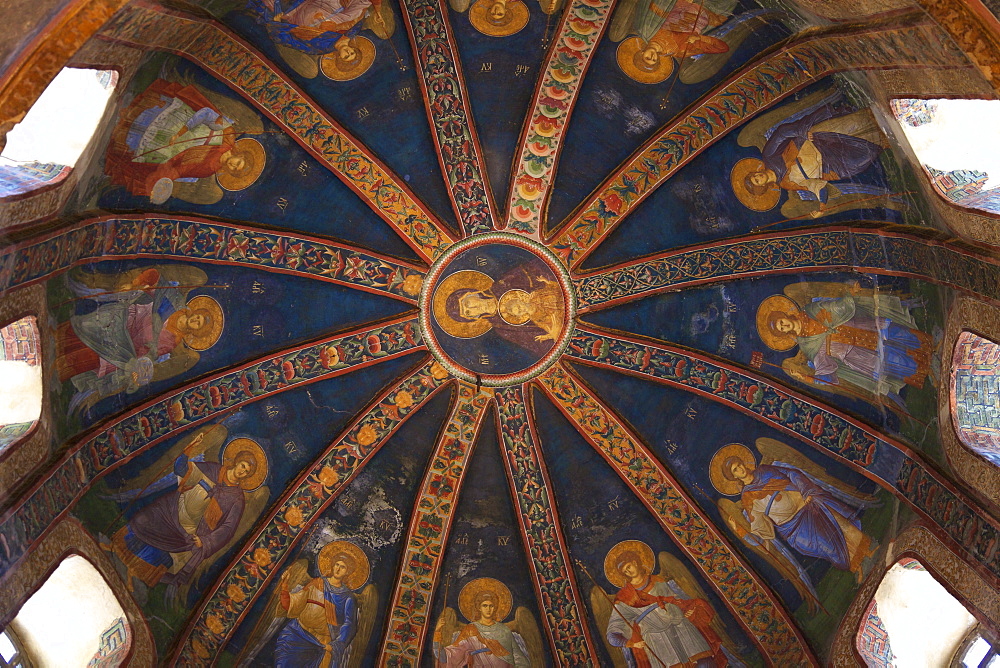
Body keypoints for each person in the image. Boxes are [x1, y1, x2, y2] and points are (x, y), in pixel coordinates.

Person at [54, 266, 223, 413]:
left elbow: (152, 351)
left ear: (196, 332)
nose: (195, 321)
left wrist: (145, 357)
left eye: (198, 325)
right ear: (194, 311)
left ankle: (57, 369)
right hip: (123, 319)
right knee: (81, 329)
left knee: (89, 357)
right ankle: (55, 340)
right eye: (198, 317)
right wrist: (137, 283)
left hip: (125, 346)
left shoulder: (174, 342)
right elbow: (154, 280)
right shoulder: (175, 300)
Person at [107, 437, 267, 590]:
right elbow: (181, 469)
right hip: (174, 507)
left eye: (247, 471)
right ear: (236, 462)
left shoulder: (237, 499)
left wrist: (205, 540)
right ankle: (114, 547)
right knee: (144, 519)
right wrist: (189, 449)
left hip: (189, 529)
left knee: (163, 547)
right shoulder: (213, 469)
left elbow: (228, 528)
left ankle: (134, 574)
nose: (243, 471)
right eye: (243, 465)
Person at [757, 282, 935, 406]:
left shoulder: (809, 311)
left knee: (898, 334)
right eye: (781, 328)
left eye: (781, 321)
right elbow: (825, 369)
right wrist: (807, 378)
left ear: (785, 316)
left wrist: (850, 296)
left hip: (859, 327)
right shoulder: (806, 344)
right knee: (895, 362)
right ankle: (930, 371)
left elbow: (835, 308)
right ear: (783, 333)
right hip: (854, 354)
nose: (784, 324)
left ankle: (932, 347)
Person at [105, 79, 262, 203]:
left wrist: (161, 182)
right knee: (144, 112)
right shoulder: (228, 134)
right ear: (241, 155)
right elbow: (206, 114)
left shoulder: (209, 168)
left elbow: (181, 170)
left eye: (234, 171)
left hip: (167, 148)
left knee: (127, 133)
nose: (233, 166)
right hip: (180, 123)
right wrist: (183, 130)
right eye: (238, 164)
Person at [722, 454, 873, 577]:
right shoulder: (747, 497)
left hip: (808, 504)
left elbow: (791, 473)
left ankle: (869, 549)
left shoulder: (764, 470)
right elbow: (759, 527)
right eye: (735, 469)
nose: (740, 468)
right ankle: (858, 568)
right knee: (829, 546)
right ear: (734, 476)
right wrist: (740, 530)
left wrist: (806, 490)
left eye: (739, 464)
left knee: (841, 525)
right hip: (794, 527)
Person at [605, 548, 724, 668]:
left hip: (682, 627)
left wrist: (688, 609)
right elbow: (613, 632)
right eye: (625, 571)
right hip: (658, 640)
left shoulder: (659, 581)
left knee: (705, 663)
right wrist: (629, 643)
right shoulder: (625, 597)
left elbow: (679, 599)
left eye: (628, 567)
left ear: (635, 562)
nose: (628, 572)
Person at [435, 263, 565, 356]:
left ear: (472, 294)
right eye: (468, 312)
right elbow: (541, 346)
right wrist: (555, 334)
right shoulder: (502, 328)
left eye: (468, 303)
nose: (474, 308)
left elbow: (541, 268)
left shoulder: (503, 283)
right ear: (472, 318)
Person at [274, 542, 365, 667]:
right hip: (296, 634)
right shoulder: (316, 583)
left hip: (321, 644)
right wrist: (284, 587)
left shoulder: (347, 597)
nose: (338, 569)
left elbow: (349, 625)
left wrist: (335, 645)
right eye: (337, 564)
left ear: (347, 572)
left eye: (342, 567)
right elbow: (296, 603)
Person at [434, 588, 530, 666]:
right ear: (479, 608)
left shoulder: (504, 630)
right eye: (485, 605)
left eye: (491, 606)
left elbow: (518, 657)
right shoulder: (470, 630)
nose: (488, 609)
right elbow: (446, 656)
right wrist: (437, 632)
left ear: (495, 608)